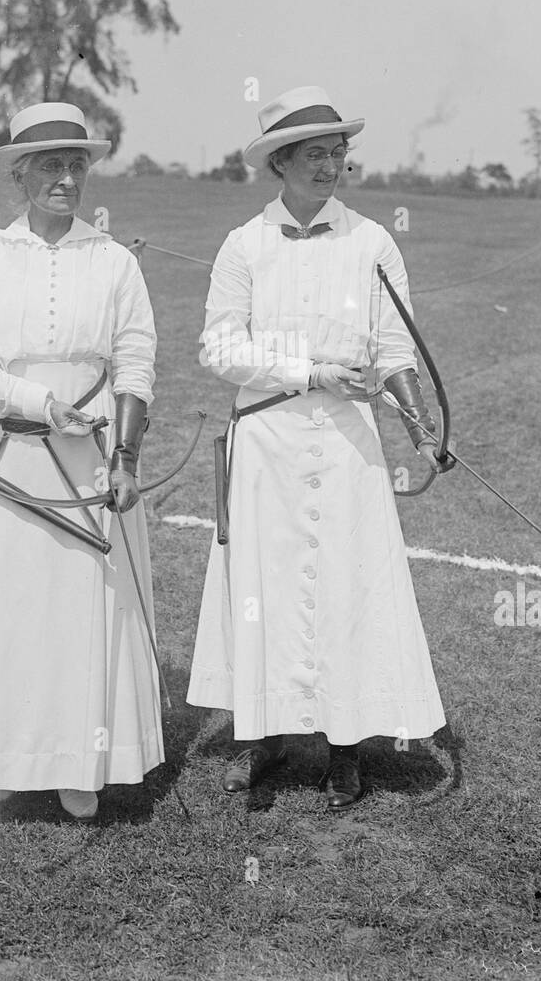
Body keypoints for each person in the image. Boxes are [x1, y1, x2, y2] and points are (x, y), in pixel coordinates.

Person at [187, 85, 453, 811]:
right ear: (280, 161)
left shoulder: (372, 242)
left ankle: (344, 747)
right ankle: (264, 738)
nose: (331, 164)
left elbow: (396, 348)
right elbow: (218, 345)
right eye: (315, 153)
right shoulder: (242, 245)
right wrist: (306, 371)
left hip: (345, 444)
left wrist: (418, 420)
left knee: (345, 583)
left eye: (338, 151)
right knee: (263, 590)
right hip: (267, 439)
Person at [0, 102, 162, 819]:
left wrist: (123, 459)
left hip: (88, 460)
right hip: (8, 459)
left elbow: (137, 364)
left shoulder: (113, 260)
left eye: (75, 164)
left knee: (77, 609)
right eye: (50, 165)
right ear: (21, 175)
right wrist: (33, 400)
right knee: (13, 609)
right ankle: (4, 759)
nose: (65, 178)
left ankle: (80, 766)